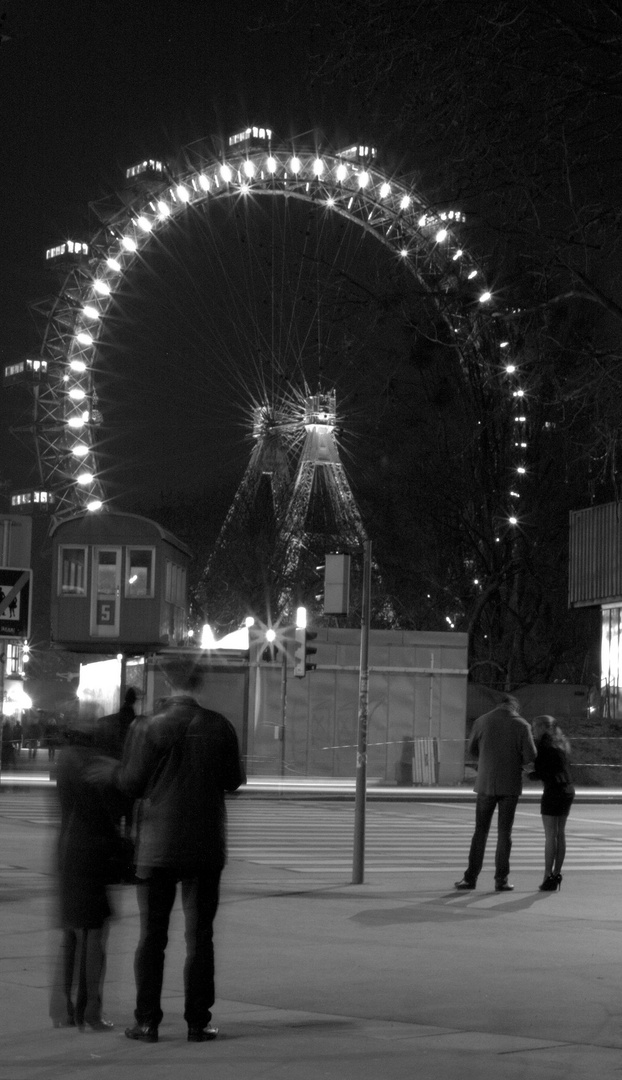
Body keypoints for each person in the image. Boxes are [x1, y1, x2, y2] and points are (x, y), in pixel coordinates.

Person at [94, 665, 245, 1044]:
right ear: (199, 685)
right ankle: (198, 1022)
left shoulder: (146, 726)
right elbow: (234, 780)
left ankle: (147, 1022)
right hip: (205, 845)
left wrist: (114, 772)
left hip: (157, 847)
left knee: (152, 937)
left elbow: (131, 783)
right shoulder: (218, 725)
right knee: (200, 936)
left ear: (168, 684)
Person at [49, 718, 124, 1032]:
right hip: (93, 853)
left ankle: (62, 1011)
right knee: (94, 934)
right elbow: (115, 809)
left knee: (70, 934)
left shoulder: (65, 759)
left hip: (66, 851)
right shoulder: (97, 765)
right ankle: (90, 1011)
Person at [455, 694, 536, 892]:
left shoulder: (482, 721)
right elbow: (530, 756)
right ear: (514, 706)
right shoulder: (522, 725)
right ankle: (501, 879)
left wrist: (487, 758)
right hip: (510, 785)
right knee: (504, 833)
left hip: (485, 783)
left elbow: (471, 750)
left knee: (480, 832)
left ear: (498, 705)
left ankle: (470, 878)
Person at [530, 715, 575, 891]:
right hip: (568, 790)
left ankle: (547, 875)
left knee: (550, 835)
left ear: (542, 727)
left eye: (534, 727)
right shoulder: (561, 743)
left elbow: (541, 771)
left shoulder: (543, 744)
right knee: (560, 834)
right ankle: (557, 874)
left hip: (553, 790)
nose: (533, 731)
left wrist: (529, 774)